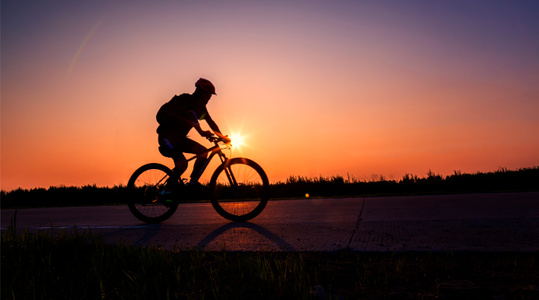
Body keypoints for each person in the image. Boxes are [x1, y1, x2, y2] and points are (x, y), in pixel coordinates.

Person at [156, 78, 229, 187]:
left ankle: (192, 183)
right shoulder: (186, 100)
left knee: (203, 152)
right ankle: (166, 191)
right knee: (182, 164)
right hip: (167, 138)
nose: (209, 98)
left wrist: (222, 136)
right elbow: (191, 117)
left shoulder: (201, 109)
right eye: (208, 95)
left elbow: (211, 122)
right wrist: (202, 132)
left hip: (179, 139)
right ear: (200, 93)